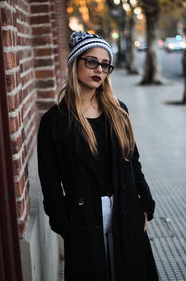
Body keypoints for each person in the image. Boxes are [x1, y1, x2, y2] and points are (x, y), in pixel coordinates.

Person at [37, 31, 159, 281]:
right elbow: (49, 181)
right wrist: (62, 222)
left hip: (125, 211)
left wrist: (145, 205)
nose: (99, 70)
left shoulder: (118, 111)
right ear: (75, 63)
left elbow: (133, 160)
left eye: (105, 64)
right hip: (83, 218)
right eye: (91, 61)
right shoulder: (55, 121)